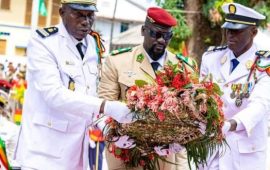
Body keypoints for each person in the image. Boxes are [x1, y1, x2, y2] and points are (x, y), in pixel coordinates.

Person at [14, 1, 134, 170]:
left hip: (76, 153)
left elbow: (89, 96)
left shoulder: (92, 44)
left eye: (90, 15)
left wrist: (110, 131)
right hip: (43, 153)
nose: (86, 21)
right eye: (78, 14)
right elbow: (54, 94)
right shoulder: (43, 41)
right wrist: (106, 106)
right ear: (62, 12)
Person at [98, 7, 197, 170]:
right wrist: (113, 135)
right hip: (127, 154)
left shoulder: (184, 67)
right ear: (143, 30)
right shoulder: (117, 61)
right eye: (156, 34)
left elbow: (194, 113)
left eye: (167, 36)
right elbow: (104, 107)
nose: (161, 40)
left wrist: (183, 139)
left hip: (170, 159)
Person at [199, 3, 270, 170]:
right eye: (228, 29)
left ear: (253, 32)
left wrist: (231, 124)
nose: (230, 35)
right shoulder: (211, 57)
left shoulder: (264, 63)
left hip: (244, 154)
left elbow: (260, 105)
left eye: (237, 30)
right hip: (212, 151)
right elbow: (200, 96)